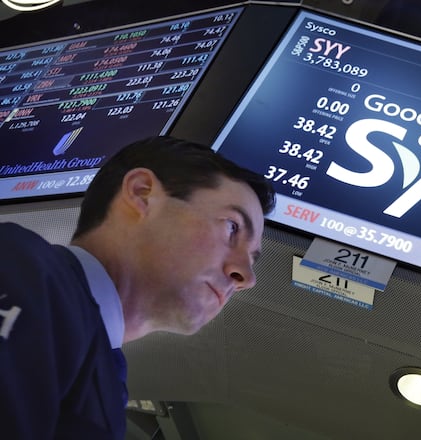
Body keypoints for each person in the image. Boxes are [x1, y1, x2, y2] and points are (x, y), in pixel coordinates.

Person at [0, 136, 276, 439]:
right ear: (142, 193)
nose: (247, 278)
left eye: (252, 258)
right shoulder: (19, 265)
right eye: (232, 227)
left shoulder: (105, 384)